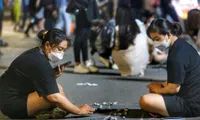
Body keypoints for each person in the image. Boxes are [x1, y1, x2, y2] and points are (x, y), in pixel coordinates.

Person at [0, 29, 94, 119]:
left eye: (64, 50)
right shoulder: (40, 62)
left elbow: (31, 80)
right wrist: (78, 110)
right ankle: (41, 113)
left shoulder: (36, 53)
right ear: (48, 45)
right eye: (59, 49)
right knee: (56, 95)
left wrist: (51, 76)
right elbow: (53, 97)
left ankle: (43, 112)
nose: (61, 53)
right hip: (10, 105)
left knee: (58, 89)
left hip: (6, 97)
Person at [139, 18, 200, 117]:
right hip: (193, 98)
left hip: (191, 105)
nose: (155, 44)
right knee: (154, 91)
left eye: (157, 39)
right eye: (153, 40)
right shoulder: (181, 45)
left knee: (145, 100)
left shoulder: (176, 55)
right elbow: (176, 79)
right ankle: (162, 109)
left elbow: (173, 89)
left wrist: (159, 90)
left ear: (168, 34)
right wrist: (161, 87)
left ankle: (165, 111)